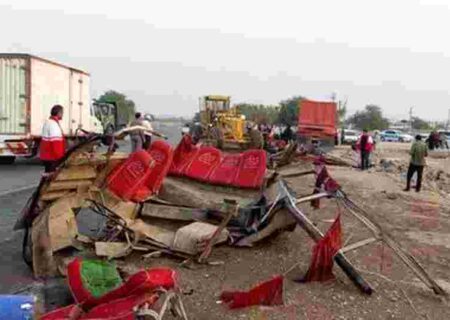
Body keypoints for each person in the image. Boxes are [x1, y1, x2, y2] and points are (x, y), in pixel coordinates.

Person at [39, 105, 66, 173]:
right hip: (52, 157)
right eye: (62, 112)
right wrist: (60, 157)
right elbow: (56, 143)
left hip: (47, 156)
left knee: (47, 174)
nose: (62, 114)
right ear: (58, 113)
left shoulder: (48, 122)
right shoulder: (53, 124)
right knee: (52, 176)